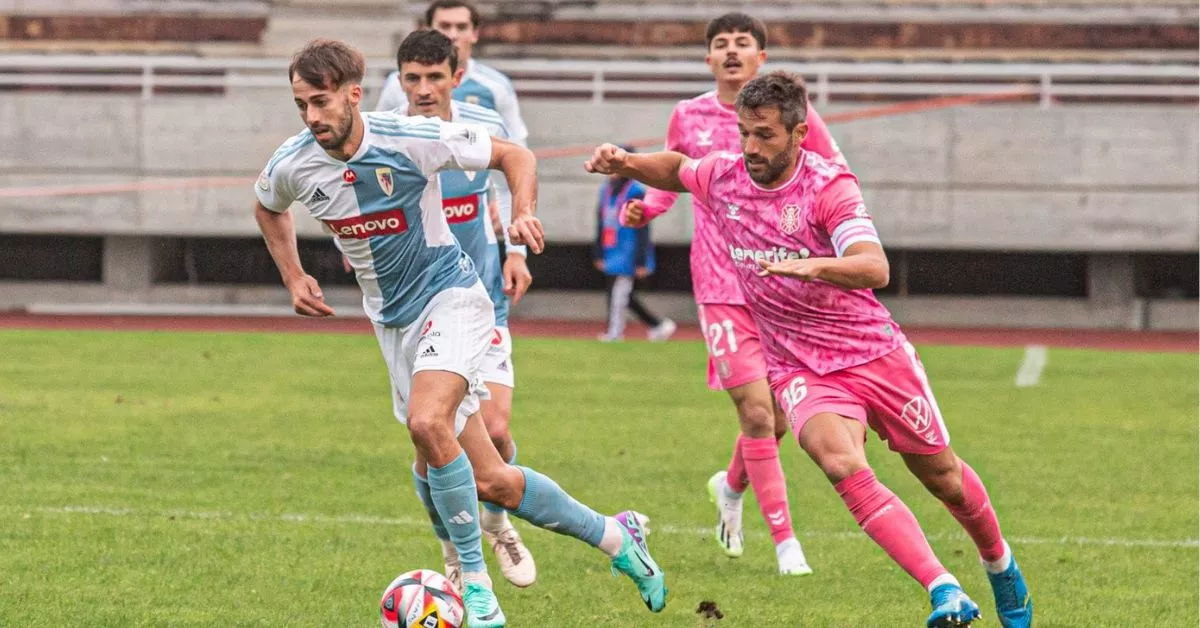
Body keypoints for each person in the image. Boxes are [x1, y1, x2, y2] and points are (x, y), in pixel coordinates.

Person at [584, 71, 1032, 628]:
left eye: (765, 135)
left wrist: (812, 265)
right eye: (745, 133)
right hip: (798, 364)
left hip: (872, 353)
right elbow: (677, 169)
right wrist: (625, 164)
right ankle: (944, 589)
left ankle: (999, 563)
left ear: (799, 134)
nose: (751, 147)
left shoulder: (829, 187)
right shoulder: (726, 175)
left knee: (943, 477)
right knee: (838, 460)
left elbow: (875, 267)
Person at [254, 38, 667, 627]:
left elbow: (516, 156)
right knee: (493, 479)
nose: (312, 117)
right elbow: (267, 205)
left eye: (320, 102)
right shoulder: (295, 161)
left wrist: (522, 216)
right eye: (301, 105)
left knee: (429, 422)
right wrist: (293, 276)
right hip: (392, 321)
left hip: (453, 296)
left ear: (353, 94)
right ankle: (617, 539)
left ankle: (473, 584)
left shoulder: (411, 138)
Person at [625, 12, 844, 575]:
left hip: (782, 281)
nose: (729, 51)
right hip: (722, 281)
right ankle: (786, 544)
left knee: (775, 420)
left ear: (760, 58)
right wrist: (644, 207)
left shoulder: (795, 116)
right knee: (753, 411)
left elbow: (832, 171)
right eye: (719, 44)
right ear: (708, 59)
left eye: (741, 43)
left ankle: (730, 486)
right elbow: (673, 177)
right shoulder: (689, 115)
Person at [393, 28, 537, 592]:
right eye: (413, 78)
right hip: (419, 305)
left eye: (435, 77)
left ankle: (498, 523)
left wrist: (515, 247)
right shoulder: (389, 134)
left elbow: (505, 176)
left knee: (497, 429)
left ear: (458, 76)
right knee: (433, 439)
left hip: (481, 297)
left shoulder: (484, 127)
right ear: (400, 80)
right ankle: (454, 551)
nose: (424, 89)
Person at [376, 0, 528, 147]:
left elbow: (516, 144)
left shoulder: (496, 85)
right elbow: (378, 137)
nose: (452, 35)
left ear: (474, 34)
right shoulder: (395, 84)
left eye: (461, 27)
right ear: (428, 30)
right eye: (444, 26)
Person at [592, 145, 676, 342]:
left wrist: (640, 261)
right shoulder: (606, 189)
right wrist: (598, 252)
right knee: (622, 295)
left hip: (628, 251)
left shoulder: (636, 190)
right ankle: (658, 325)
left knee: (620, 295)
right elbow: (600, 221)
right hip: (611, 249)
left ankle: (615, 333)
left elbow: (642, 227)